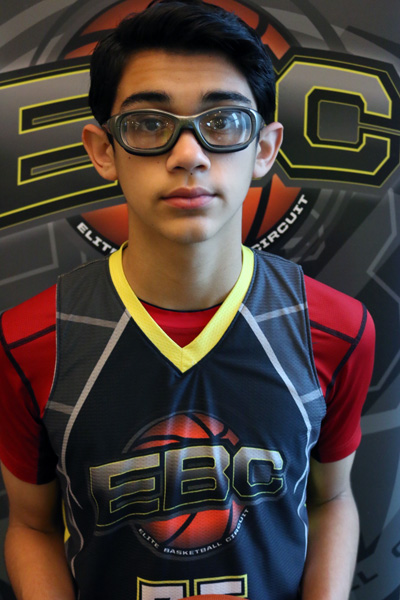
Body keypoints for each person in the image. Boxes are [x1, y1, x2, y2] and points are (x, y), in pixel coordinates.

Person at [0, 0, 375, 599]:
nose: (189, 154)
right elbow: (31, 525)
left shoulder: (336, 328)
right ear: (103, 149)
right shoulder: (32, 340)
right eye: (149, 124)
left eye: (223, 121)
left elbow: (333, 500)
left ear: (264, 148)